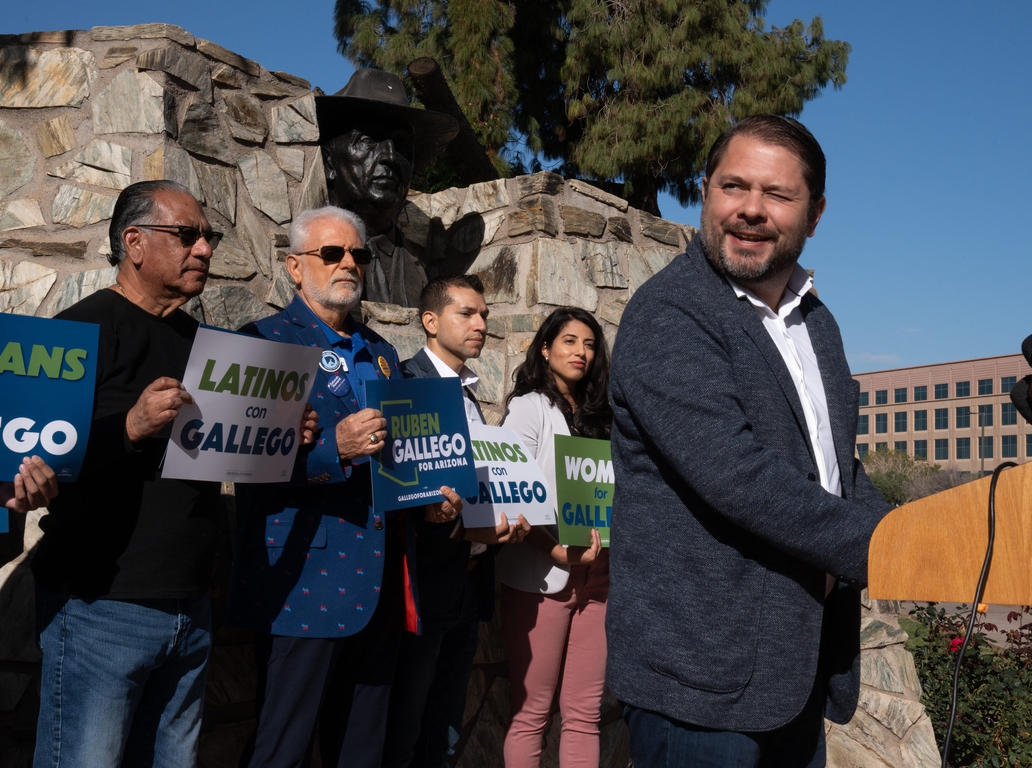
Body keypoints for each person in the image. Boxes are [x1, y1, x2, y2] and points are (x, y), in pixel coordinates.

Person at [606, 115, 891, 767]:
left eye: (777, 194)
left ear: (814, 214)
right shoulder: (670, 314)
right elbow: (739, 476)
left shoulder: (814, 322)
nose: (751, 210)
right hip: (699, 688)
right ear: (705, 192)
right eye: (733, 186)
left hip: (792, 671)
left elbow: (831, 467)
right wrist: (879, 548)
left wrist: (921, 539)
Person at [227, 205, 462, 768]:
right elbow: (241, 465)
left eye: (359, 253)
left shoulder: (382, 354)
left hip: (380, 584)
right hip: (301, 585)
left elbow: (398, 460)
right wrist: (336, 448)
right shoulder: (263, 343)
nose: (349, 263)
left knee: (362, 751)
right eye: (331, 253)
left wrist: (430, 500)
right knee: (281, 751)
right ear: (294, 266)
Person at [31, 180, 230, 767]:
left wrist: (281, 435)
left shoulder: (206, 347)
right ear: (134, 243)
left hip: (192, 607)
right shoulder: (77, 333)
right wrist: (129, 428)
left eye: (208, 237)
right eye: (187, 235)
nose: (204, 250)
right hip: (101, 607)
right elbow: (35, 461)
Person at [382, 274, 530, 768]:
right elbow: (397, 491)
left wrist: (504, 522)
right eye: (466, 313)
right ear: (429, 321)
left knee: (444, 728)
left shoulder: (469, 395)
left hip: (469, 582)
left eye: (484, 314)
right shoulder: (403, 385)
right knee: (405, 725)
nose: (480, 324)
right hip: (423, 583)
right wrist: (440, 518)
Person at [497, 307, 612, 768]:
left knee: (585, 716)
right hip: (542, 576)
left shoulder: (602, 417)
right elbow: (509, 495)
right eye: (569, 341)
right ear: (545, 348)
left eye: (588, 344)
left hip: (600, 579)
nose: (580, 352)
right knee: (531, 716)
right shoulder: (527, 410)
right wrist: (557, 550)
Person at [315, 68, 459, 307]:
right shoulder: (310, 253)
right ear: (330, 162)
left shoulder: (419, 270)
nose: (390, 156)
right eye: (368, 140)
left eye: (402, 145)